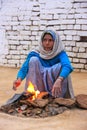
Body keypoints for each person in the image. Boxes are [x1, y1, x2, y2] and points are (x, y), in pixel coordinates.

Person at [13, 29, 74, 98]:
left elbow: (68, 66)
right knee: (33, 60)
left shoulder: (60, 53)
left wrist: (59, 79)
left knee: (62, 67)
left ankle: (56, 97)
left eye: (50, 40)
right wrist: (19, 79)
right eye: (44, 40)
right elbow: (24, 67)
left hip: (55, 85)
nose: (47, 43)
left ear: (56, 41)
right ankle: (33, 94)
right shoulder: (35, 53)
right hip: (39, 85)